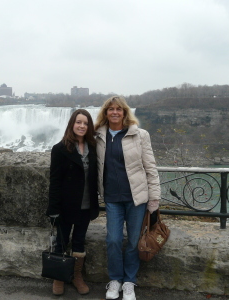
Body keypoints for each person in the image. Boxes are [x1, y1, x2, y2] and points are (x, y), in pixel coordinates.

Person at [95, 96, 160, 300]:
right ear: (105, 113)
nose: (115, 112)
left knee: (133, 241)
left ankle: (129, 282)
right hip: (112, 197)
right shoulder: (98, 136)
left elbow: (150, 166)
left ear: (125, 112)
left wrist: (154, 198)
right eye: (110, 109)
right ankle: (115, 280)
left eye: (119, 109)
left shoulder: (139, 135)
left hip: (136, 198)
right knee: (113, 239)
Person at [46, 109, 99, 296]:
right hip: (65, 206)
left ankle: (77, 277)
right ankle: (59, 277)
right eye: (79, 122)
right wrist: (53, 209)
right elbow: (55, 181)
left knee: (79, 242)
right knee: (61, 241)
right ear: (72, 124)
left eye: (85, 123)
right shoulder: (60, 149)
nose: (82, 126)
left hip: (86, 205)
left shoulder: (93, 147)